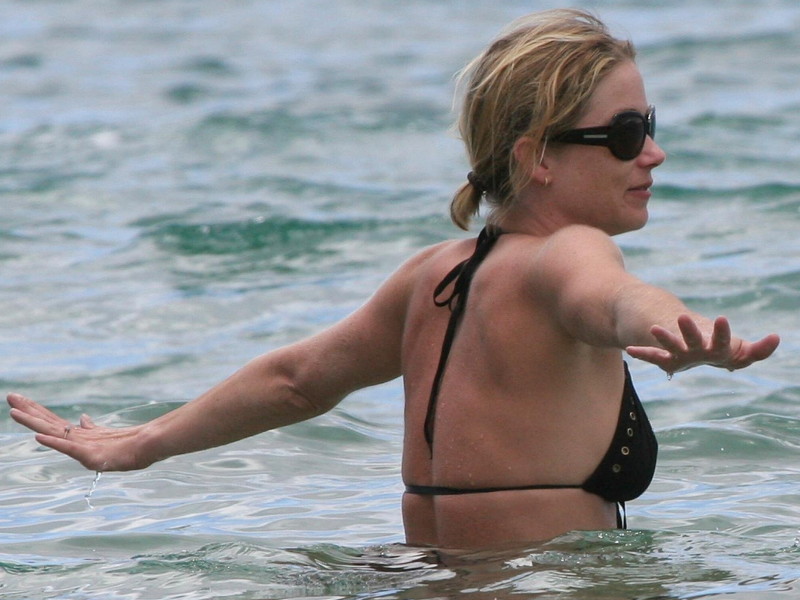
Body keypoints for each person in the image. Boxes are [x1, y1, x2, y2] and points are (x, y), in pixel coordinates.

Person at [7, 8, 780, 549]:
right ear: (536, 156)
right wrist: (673, 327)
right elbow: (613, 300)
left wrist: (143, 443)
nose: (653, 153)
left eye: (650, 127)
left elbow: (295, 382)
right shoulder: (568, 253)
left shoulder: (432, 275)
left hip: (418, 579)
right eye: (625, 133)